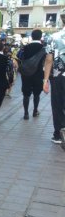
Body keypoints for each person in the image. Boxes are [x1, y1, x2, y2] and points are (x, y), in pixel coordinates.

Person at [44, 11, 65, 145]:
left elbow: (49, 59)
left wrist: (45, 79)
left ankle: (58, 134)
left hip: (58, 77)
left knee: (57, 105)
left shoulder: (54, 37)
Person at [20, 29, 46, 120]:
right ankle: (35, 111)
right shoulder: (44, 48)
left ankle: (26, 113)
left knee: (26, 94)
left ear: (32, 36)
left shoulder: (25, 47)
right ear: (41, 37)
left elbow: (19, 58)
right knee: (36, 94)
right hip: (38, 74)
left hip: (26, 74)